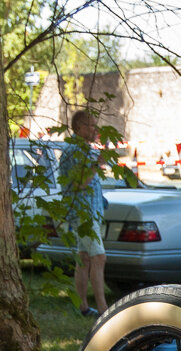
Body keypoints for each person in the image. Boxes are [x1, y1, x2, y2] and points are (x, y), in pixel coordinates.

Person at [58, 108, 107, 316]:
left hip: (89, 211)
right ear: (78, 127)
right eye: (90, 125)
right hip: (83, 213)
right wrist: (98, 163)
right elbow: (80, 183)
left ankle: (83, 307)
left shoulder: (85, 149)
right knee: (99, 257)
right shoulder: (75, 150)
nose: (95, 129)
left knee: (84, 258)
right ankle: (104, 310)